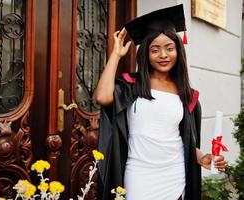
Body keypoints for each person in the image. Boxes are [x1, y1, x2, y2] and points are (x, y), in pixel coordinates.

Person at [95, 4, 227, 200]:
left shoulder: (187, 94)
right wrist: (116, 54)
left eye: (169, 48)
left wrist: (201, 157)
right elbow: (102, 97)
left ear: (178, 51)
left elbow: (182, 139)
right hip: (138, 175)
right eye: (155, 50)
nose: (163, 55)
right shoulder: (132, 85)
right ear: (146, 54)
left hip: (174, 177)